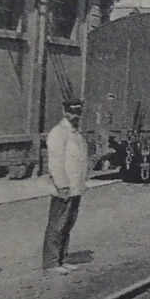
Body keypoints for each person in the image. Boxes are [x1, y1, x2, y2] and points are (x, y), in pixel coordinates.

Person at [43, 98, 91, 273]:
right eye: (72, 112)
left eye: (78, 112)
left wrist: (81, 183)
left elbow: (80, 162)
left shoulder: (76, 135)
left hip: (75, 187)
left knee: (67, 225)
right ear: (64, 112)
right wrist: (62, 185)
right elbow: (55, 162)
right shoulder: (58, 133)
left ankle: (62, 258)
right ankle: (51, 262)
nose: (75, 116)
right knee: (57, 225)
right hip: (63, 188)